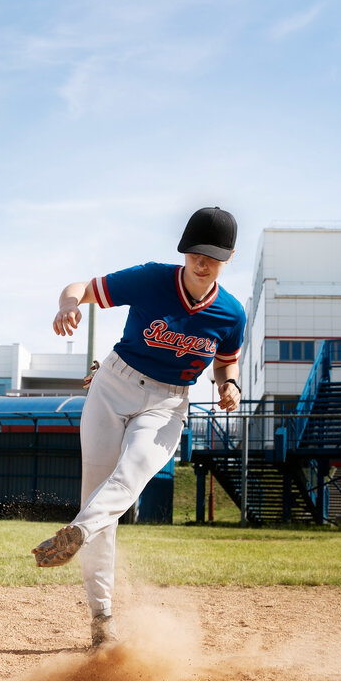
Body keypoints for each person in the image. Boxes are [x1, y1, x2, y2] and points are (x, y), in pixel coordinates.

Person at [32, 206, 246, 647]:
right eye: (193, 252)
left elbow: (227, 364)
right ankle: (102, 619)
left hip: (168, 403)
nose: (200, 262)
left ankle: (79, 530)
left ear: (228, 257)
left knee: (130, 478)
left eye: (211, 256)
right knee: (100, 497)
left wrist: (231, 387)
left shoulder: (231, 313)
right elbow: (81, 288)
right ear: (183, 249)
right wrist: (68, 303)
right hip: (113, 385)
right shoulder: (152, 278)